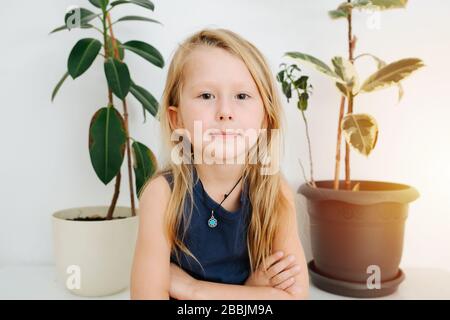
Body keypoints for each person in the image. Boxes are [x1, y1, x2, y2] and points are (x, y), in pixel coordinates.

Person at [130, 28, 309, 300]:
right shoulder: (162, 195)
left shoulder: (275, 192)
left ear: (265, 119)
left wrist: (193, 289)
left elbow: (295, 297)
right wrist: (253, 294)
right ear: (176, 119)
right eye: (206, 96)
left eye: (241, 96)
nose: (225, 112)